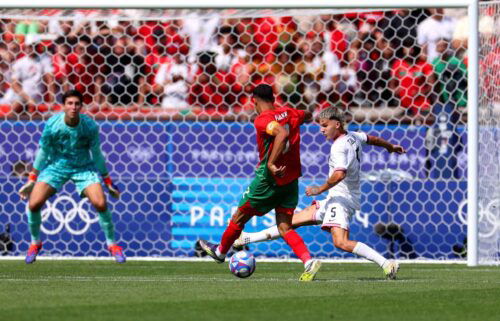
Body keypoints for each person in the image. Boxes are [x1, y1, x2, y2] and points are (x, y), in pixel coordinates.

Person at [233, 107, 405, 279]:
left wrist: (319, 189)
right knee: (288, 223)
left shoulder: (338, 147)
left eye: (325, 126)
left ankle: (386, 264)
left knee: (341, 242)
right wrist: (390, 147)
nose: (321, 130)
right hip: (337, 198)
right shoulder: (353, 136)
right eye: (320, 126)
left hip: (341, 200)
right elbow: (371, 139)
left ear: (337, 124)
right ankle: (246, 238)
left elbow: (339, 174)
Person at [198, 84, 321, 281]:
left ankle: (220, 252)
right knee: (284, 227)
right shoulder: (289, 112)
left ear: (254, 100)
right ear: (273, 98)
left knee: (239, 217)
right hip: (291, 180)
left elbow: (281, 133)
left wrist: (271, 163)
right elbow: (306, 114)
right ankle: (308, 261)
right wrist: (301, 120)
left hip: (269, 180)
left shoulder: (263, 120)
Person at [18, 89, 125, 264]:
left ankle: (112, 244)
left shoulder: (89, 126)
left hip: (83, 168)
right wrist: (31, 180)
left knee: (101, 203)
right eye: (70, 103)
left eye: (77, 104)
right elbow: (43, 152)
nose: (73, 107)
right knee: (34, 203)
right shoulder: (53, 124)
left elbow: (97, 154)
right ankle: (35, 242)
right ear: (63, 106)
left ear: (81, 106)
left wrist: (108, 181)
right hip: (56, 168)